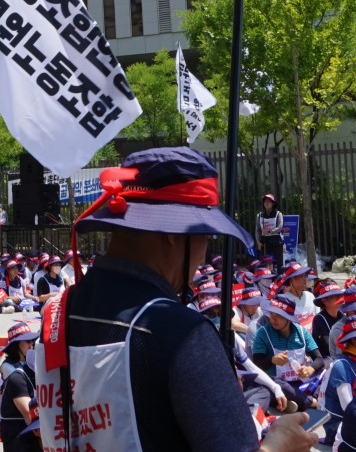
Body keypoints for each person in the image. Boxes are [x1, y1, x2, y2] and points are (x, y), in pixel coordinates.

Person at [45, 146, 316, 452]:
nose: (202, 259)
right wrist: (278, 446)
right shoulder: (181, 333)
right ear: (174, 235)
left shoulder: (57, 313)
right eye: (205, 238)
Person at [255, 193, 284, 271]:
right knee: (264, 261)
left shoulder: (278, 214)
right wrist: (258, 241)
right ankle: (264, 275)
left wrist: (270, 232)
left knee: (279, 262)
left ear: (273, 203)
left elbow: (280, 227)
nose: (266, 203)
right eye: (265, 202)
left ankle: (280, 276)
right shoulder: (259, 215)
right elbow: (257, 229)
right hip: (264, 241)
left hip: (276, 240)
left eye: (268, 201)